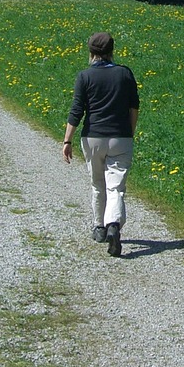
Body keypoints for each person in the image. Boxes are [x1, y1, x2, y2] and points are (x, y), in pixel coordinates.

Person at [62, 32, 140, 257]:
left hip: (93, 137)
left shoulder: (84, 76)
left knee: (98, 184)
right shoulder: (125, 74)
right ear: (112, 51)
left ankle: (99, 227)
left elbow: (77, 111)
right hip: (120, 137)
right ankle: (113, 224)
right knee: (116, 187)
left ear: (91, 53)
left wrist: (67, 139)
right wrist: (129, 133)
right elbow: (134, 107)